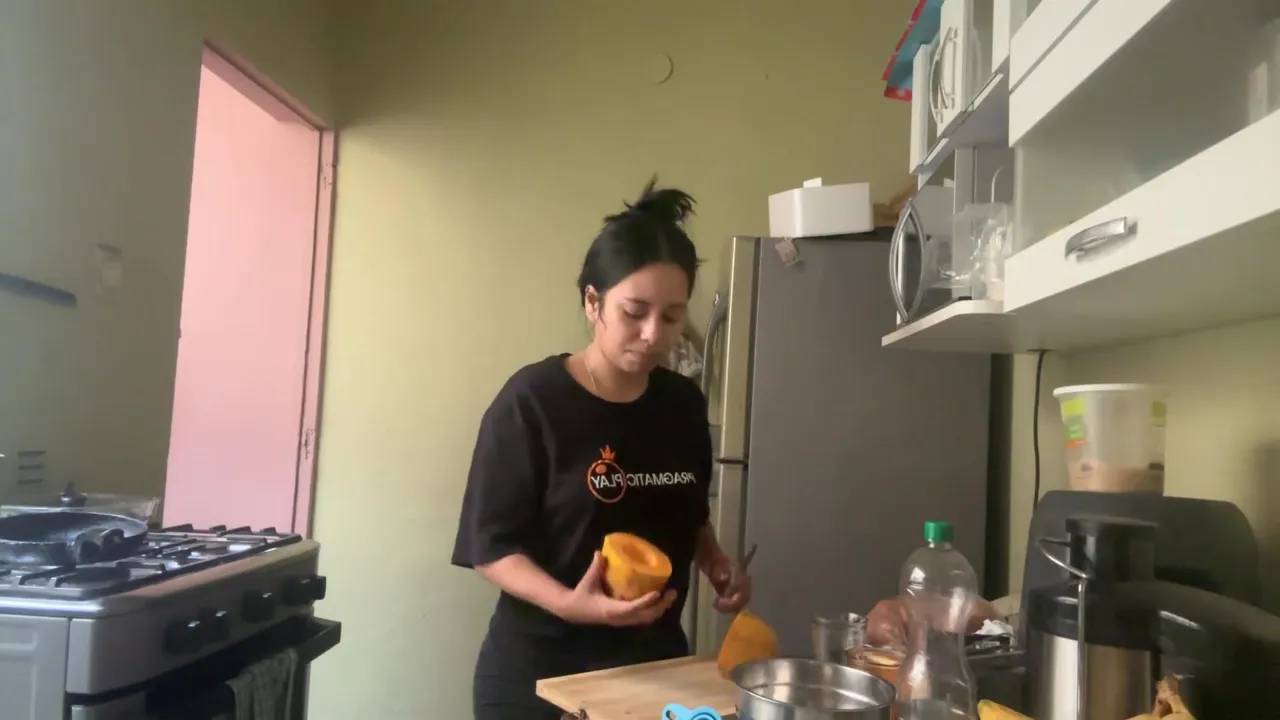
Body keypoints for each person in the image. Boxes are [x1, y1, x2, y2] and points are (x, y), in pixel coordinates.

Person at [451, 178, 753, 720]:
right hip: (542, 677)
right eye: (634, 312)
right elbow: (489, 547)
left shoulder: (682, 404)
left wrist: (717, 564)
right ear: (594, 302)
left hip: (655, 672)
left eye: (672, 316)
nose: (653, 334)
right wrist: (571, 605)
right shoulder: (533, 402)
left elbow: (687, 514)